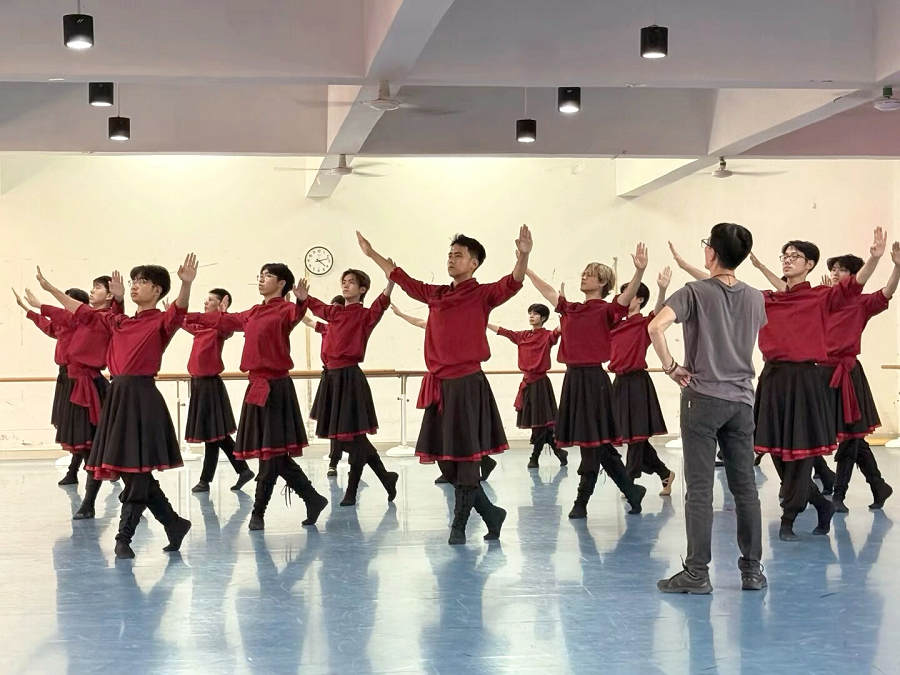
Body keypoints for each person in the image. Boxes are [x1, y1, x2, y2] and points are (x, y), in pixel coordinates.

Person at [358, 225, 533, 545]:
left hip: (467, 385)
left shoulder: (483, 294)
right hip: (440, 387)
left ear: (474, 263)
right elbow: (401, 277)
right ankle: (491, 513)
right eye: (450, 255)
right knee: (445, 461)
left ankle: (459, 525)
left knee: (466, 461)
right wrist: (371, 254)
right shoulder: (436, 294)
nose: (452, 259)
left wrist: (523, 255)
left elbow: (513, 282)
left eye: (459, 255)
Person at [41, 257, 198, 559]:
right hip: (116, 396)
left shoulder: (161, 321)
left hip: (142, 398)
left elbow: (179, 310)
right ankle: (173, 523)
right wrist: (51, 290)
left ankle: (124, 537)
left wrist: (186, 284)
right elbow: (82, 311)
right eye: (133, 281)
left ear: (157, 290)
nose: (135, 286)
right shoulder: (119, 321)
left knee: (136, 471)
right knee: (133, 471)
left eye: (142, 282)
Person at [652, 224, 767, 594]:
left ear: (712, 253)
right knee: (745, 488)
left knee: (700, 489)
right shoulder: (755, 298)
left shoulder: (693, 292)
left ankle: (697, 573)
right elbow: (727, 295)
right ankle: (752, 571)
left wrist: (671, 367)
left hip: (702, 398)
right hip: (742, 401)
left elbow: (655, 327)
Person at [755, 232, 884, 540]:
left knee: (800, 454)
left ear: (810, 264)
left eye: (795, 256)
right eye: (785, 256)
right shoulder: (767, 298)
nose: (787, 260)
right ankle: (820, 504)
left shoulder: (820, 297)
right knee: (776, 451)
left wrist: (875, 258)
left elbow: (855, 286)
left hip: (803, 380)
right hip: (772, 379)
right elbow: (725, 291)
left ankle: (788, 517)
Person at [186, 263, 328, 532]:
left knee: (271, 454)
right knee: (272, 453)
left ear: (282, 284)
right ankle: (312, 498)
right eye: (260, 275)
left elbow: (297, 314)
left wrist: (301, 300)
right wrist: (181, 314)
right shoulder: (252, 312)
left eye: (268, 276)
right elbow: (218, 321)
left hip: (276, 388)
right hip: (257, 387)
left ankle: (259, 512)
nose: (261, 279)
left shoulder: (286, 309)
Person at [526, 246, 649, 518]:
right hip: (573, 380)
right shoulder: (570, 309)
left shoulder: (607, 310)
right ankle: (631, 491)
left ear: (602, 282)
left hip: (594, 380)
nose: (583, 277)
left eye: (590, 274)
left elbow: (626, 296)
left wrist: (639, 270)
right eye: (583, 273)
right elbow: (548, 291)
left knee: (592, 443)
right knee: (598, 444)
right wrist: (526, 268)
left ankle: (582, 501)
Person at [298, 269, 399, 506]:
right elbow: (317, 308)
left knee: (352, 438)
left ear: (362, 289)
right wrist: (303, 298)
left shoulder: (364, 315)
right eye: (343, 282)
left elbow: (380, 305)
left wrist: (390, 284)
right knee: (353, 439)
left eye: (351, 282)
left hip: (349, 378)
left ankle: (353, 489)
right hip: (332, 379)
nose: (345, 285)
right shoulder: (334, 313)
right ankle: (386, 478)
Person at [23, 275, 119, 519]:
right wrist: (34, 309)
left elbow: (67, 315)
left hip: (86, 384)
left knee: (92, 446)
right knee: (88, 445)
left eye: (97, 287)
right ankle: (100, 495)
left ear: (109, 295)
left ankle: (91, 501)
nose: (92, 291)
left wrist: (46, 295)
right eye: (92, 287)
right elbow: (59, 321)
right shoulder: (87, 317)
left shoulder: (102, 317)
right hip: (76, 382)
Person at [818, 250, 899, 512]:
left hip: (847, 373)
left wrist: (897, 268)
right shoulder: (824, 300)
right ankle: (878, 485)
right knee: (853, 437)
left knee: (851, 436)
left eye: (841, 269)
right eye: (833, 269)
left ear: (853, 275)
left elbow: (886, 293)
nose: (834, 273)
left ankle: (839, 494)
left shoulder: (860, 303)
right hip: (823, 373)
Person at [390, 303, 499, 485]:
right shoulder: (439, 326)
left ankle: (473, 464)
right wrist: (401, 314)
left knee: (463, 425)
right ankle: (452, 467)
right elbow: (419, 322)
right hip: (443, 383)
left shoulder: (467, 326)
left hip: (463, 382)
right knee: (446, 426)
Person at [178, 288, 255, 493]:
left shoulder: (220, 328)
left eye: (210, 300)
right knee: (215, 435)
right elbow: (184, 323)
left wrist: (223, 314)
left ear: (220, 304)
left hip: (210, 384)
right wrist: (174, 312)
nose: (206, 302)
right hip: (199, 384)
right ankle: (240, 471)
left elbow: (227, 329)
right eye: (206, 299)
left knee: (215, 435)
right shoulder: (201, 327)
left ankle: (208, 480)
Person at [609, 268, 675, 496]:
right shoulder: (616, 324)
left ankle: (629, 482)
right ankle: (664, 473)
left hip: (637, 382)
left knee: (637, 436)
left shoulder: (644, 323)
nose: (624, 298)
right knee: (633, 436)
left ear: (639, 299)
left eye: (629, 293)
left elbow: (658, 314)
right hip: (619, 383)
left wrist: (662, 289)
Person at [14, 285, 88, 486]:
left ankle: (85, 471)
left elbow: (60, 318)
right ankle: (75, 471)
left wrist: (39, 305)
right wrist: (28, 309)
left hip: (78, 378)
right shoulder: (65, 323)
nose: (64, 306)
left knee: (79, 428)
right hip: (65, 377)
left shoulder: (80, 321)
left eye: (67, 301)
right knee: (73, 428)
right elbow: (49, 326)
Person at [487, 303, 567, 469]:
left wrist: (564, 310)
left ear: (543, 318)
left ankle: (534, 457)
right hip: (527, 383)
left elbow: (559, 330)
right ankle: (559, 452)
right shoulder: (522, 336)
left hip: (540, 383)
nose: (531, 316)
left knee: (540, 423)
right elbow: (503, 331)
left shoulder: (547, 336)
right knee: (540, 423)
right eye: (530, 313)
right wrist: (483, 321)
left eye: (535, 314)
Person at [302, 295, 346, 478]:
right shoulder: (326, 328)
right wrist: (295, 306)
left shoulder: (347, 327)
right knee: (333, 421)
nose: (334, 310)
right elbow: (308, 321)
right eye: (332, 306)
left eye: (338, 307)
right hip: (329, 377)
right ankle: (334, 460)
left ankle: (347, 458)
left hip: (343, 377)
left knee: (343, 421)